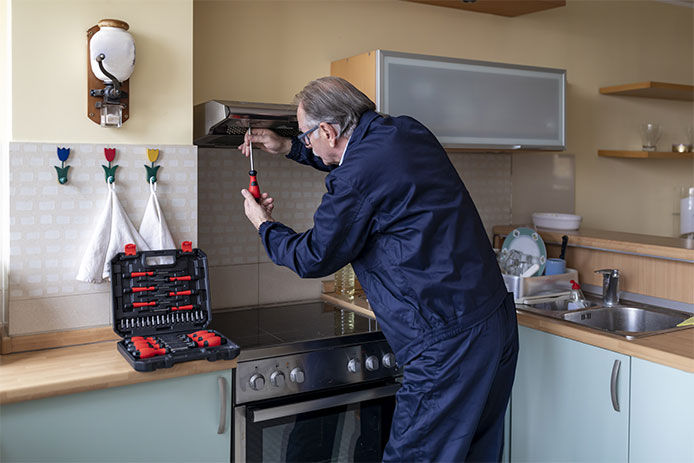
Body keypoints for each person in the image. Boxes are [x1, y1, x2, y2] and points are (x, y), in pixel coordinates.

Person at [239, 76, 519, 462]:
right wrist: (287, 146)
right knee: (477, 454)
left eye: (306, 136)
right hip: (493, 319)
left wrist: (264, 225)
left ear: (328, 130)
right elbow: (357, 160)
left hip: (445, 340)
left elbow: (314, 256)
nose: (307, 144)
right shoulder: (405, 130)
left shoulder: (355, 178)